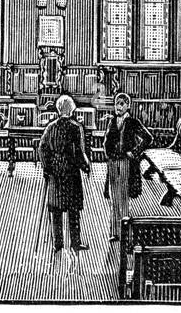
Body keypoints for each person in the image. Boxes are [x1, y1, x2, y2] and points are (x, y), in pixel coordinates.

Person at [37, 94, 91, 255]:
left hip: (55, 171)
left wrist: (47, 168)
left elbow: (42, 148)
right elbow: (80, 152)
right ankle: (75, 243)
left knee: (56, 209)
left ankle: (58, 244)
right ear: (72, 109)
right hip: (71, 171)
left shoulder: (51, 127)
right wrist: (86, 166)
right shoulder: (76, 127)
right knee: (73, 209)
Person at [103, 92, 152, 242]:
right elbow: (107, 140)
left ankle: (124, 233)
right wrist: (108, 153)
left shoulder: (132, 122)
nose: (118, 107)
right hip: (113, 162)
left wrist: (134, 152)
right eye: (117, 104)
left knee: (123, 197)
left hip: (126, 163)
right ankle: (114, 232)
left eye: (122, 104)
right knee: (113, 197)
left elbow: (148, 138)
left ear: (128, 106)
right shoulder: (112, 121)